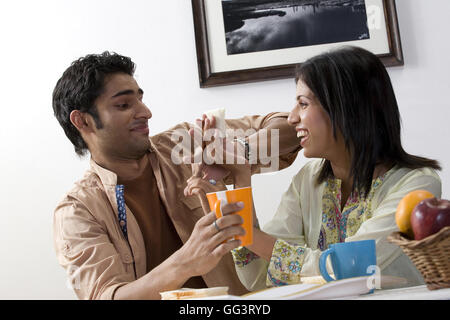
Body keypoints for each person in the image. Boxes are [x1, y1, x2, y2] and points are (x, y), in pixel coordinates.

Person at [184, 46, 442, 291]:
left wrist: (246, 232)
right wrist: (241, 176)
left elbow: (347, 268)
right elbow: (258, 275)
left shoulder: (417, 187)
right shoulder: (309, 180)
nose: (291, 118)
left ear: (346, 108)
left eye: (303, 104)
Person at [51, 52, 302, 299]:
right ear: (82, 121)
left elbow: (291, 131)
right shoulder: (77, 211)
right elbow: (107, 297)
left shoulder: (184, 145)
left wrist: (237, 152)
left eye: (141, 99)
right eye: (124, 105)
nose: (146, 112)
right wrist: (186, 261)